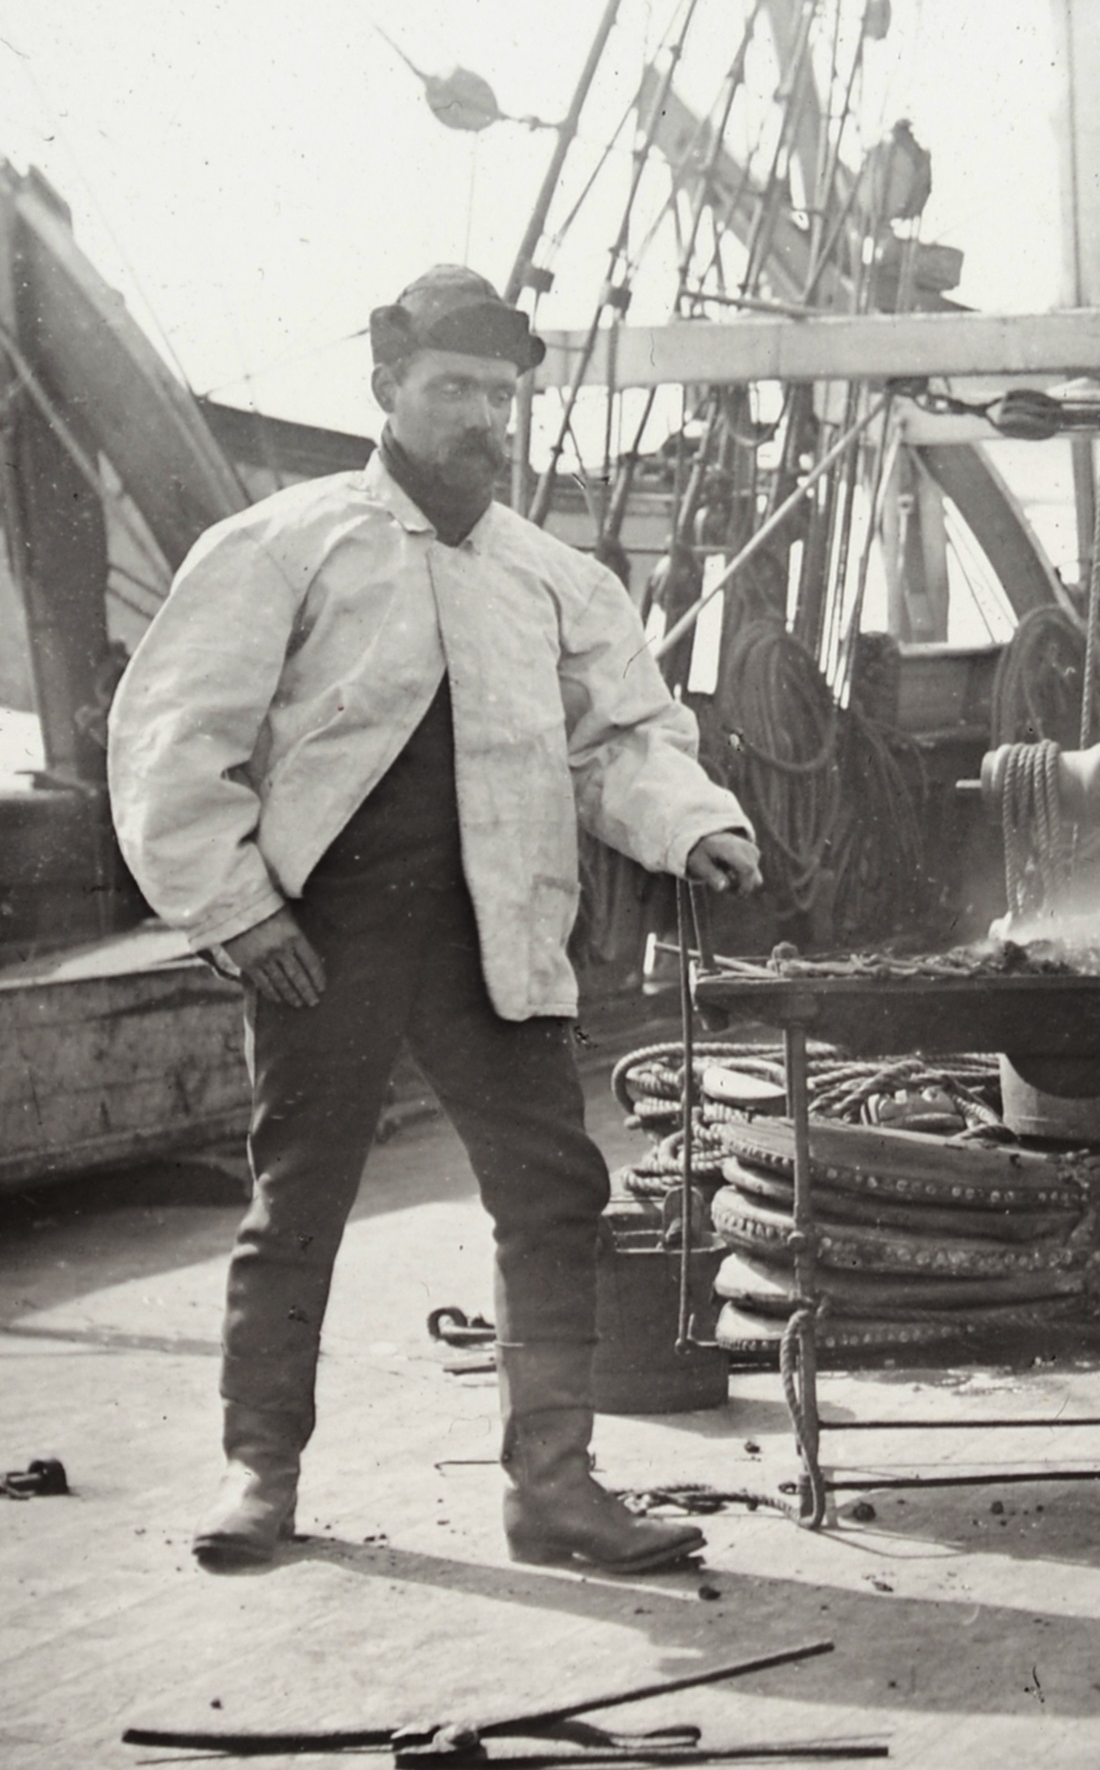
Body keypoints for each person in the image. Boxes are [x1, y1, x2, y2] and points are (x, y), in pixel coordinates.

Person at [107, 266, 763, 1574]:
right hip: (323, 938)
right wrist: (241, 911)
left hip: (495, 937)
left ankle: (557, 1488)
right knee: (296, 1201)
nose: (481, 415)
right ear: (387, 393)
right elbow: (175, 737)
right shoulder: (283, 545)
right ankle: (260, 1473)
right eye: (453, 387)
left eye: (500, 393)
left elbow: (622, 736)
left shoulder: (553, 579)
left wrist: (694, 822)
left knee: (552, 1191)